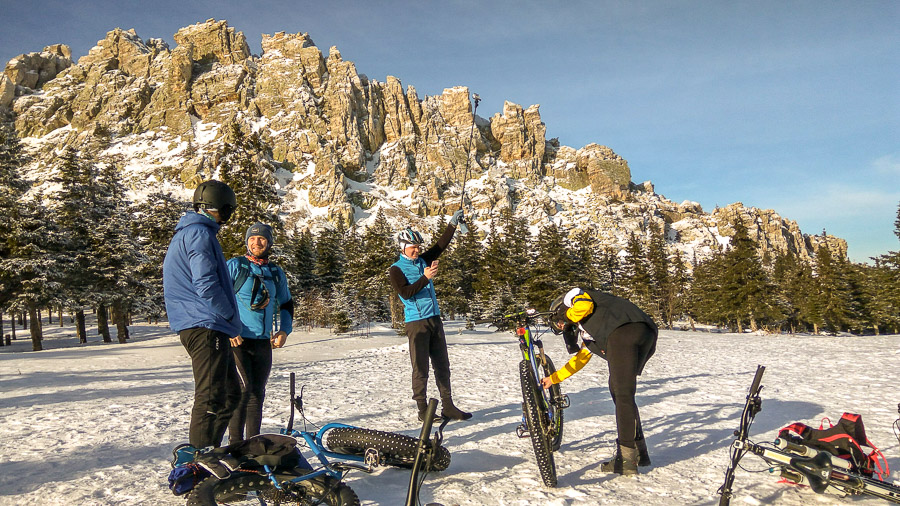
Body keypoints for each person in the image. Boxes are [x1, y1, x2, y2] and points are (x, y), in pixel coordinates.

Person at [541, 287, 658, 476]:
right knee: (619, 391)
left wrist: (568, 316)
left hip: (622, 332)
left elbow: (583, 306)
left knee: (622, 394)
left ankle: (626, 460)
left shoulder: (573, 295)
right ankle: (640, 453)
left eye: (561, 323)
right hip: (645, 333)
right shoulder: (589, 332)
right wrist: (553, 379)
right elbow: (579, 360)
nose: (563, 326)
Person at [163, 180, 241, 449]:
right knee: (211, 397)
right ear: (220, 207)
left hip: (200, 323)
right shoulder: (199, 233)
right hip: (205, 324)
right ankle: (199, 469)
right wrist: (230, 316)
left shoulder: (191, 231)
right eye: (228, 210)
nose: (229, 216)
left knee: (231, 394)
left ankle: (210, 455)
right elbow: (206, 283)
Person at [389, 210, 471, 422]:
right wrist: (425, 278)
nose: (417, 250)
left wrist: (452, 224)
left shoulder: (423, 260)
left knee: (442, 365)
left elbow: (440, 246)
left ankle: (448, 406)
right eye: (413, 247)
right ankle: (423, 410)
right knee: (421, 368)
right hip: (416, 323)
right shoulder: (396, 269)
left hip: (434, 319)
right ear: (403, 248)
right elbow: (405, 293)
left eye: (418, 247)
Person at [225, 223, 294, 444]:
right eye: (252, 239)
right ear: (246, 242)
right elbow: (217, 297)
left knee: (257, 394)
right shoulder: (236, 266)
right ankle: (235, 446)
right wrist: (228, 328)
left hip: (263, 342)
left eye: (262, 239)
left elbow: (286, 302)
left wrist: (284, 330)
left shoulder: (275, 272)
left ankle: (251, 445)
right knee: (243, 392)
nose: (257, 242)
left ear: (269, 242)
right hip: (238, 340)